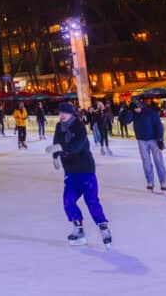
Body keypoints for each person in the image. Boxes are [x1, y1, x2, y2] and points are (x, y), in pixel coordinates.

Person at [47, 103, 111, 247]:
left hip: (85, 169)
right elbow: (56, 141)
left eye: (65, 113)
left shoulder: (79, 126)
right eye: (60, 113)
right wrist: (55, 156)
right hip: (70, 170)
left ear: (71, 114)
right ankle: (78, 229)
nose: (61, 115)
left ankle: (103, 227)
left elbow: (77, 146)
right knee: (68, 200)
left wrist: (61, 148)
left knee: (91, 200)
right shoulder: (59, 127)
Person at [126, 99, 166, 192]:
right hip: (141, 140)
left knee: (158, 161)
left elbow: (158, 125)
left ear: (141, 106)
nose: (137, 110)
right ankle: (150, 182)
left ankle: (163, 181)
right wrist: (128, 111)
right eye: (134, 109)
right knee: (146, 162)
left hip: (154, 140)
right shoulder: (133, 113)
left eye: (137, 108)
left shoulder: (150, 112)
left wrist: (160, 138)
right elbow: (126, 121)